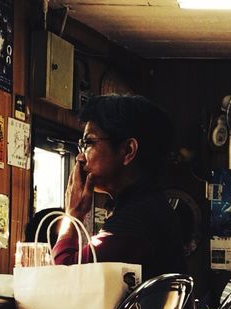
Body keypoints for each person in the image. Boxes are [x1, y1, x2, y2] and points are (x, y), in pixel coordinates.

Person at [53, 94, 187, 279]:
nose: (80, 157)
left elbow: (65, 276)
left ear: (128, 151)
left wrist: (72, 215)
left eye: (89, 142)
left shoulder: (137, 219)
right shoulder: (148, 205)